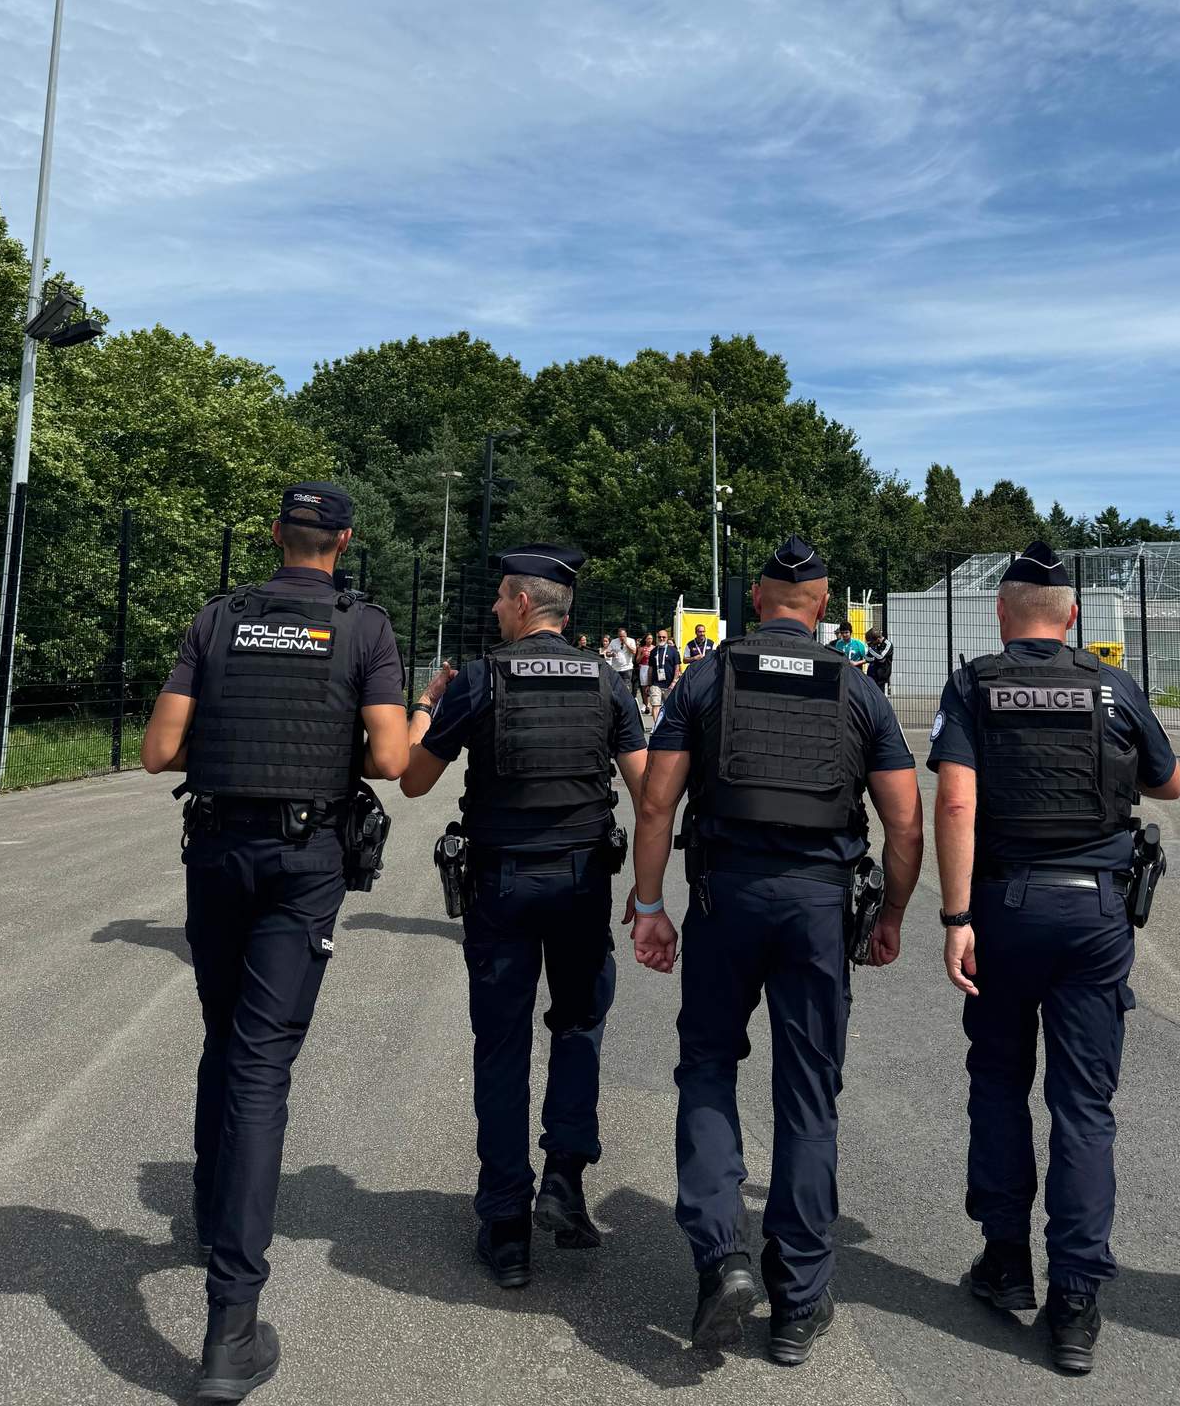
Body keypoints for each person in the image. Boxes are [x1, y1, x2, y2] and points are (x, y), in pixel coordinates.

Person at [140, 481, 419, 1402]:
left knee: (223, 1038)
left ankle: (213, 1208)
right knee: (262, 1064)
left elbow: (157, 751)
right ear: (343, 541)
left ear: (275, 537)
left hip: (217, 846)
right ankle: (232, 1325)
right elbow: (387, 760)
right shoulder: (364, 627)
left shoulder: (218, 619)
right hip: (305, 858)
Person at [632, 535, 924, 1366]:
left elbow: (656, 803)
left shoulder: (704, 676)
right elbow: (904, 821)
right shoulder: (858, 690)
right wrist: (893, 913)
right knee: (807, 1094)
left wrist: (651, 904)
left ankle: (721, 1260)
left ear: (755, 600)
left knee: (709, 1066)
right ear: (823, 607)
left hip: (727, 899)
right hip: (820, 907)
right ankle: (797, 1302)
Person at [928, 541, 1180, 1377]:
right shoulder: (1112, 686)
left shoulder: (974, 684)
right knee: (1084, 1105)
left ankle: (1006, 1263)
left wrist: (955, 916)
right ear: (1071, 615)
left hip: (1004, 908)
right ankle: (1075, 1299)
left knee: (999, 1083)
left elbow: (956, 800)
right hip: (1096, 913)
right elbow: (1169, 780)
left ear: (1000, 615)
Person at [400, 545, 648, 1288]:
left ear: (518, 602)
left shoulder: (479, 681)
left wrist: (426, 706)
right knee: (577, 1029)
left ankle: (505, 1225)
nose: (496, 611)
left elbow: (412, 781)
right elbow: (649, 790)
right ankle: (565, 1184)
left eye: (500, 600)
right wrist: (652, 892)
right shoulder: (608, 683)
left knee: (501, 1048)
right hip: (580, 887)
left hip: (501, 887)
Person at [647, 627, 680, 714]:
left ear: (667, 637)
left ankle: (668, 726)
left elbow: (677, 667)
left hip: (669, 684)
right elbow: (650, 668)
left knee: (669, 706)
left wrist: (674, 682)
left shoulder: (673, 651)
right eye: (659, 637)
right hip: (655, 683)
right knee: (655, 705)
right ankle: (657, 726)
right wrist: (649, 684)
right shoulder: (653, 651)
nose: (661, 639)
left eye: (664, 637)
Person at [865, 627, 894, 695]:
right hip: (872, 676)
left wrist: (870, 648)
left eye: (871, 642)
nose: (870, 644)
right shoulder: (874, 645)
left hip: (882, 678)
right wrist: (874, 658)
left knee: (882, 699)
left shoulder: (888, 644)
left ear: (878, 639)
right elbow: (867, 657)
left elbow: (881, 657)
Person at [636, 632, 655, 714]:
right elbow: (637, 661)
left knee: (652, 688)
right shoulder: (641, 648)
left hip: (652, 668)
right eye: (648, 638)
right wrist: (642, 655)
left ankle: (652, 705)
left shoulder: (655, 648)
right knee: (644, 688)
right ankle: (645, 705)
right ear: (645, 639)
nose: (650, 640)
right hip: (643, 667)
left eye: (651, 638)